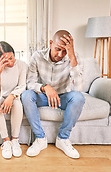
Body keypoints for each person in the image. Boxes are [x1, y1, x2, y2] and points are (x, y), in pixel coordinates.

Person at [21, 30, 85, 158]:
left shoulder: (73, 58)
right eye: (58, 49)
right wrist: (45, 88)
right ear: (50, 43)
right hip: (43, 96)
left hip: (63, 97)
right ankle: (40, 139)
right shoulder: (37, 56)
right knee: (26, 95)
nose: (60, 54)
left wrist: (72, 57)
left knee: (78, 98)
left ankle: (63, 139)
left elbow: (79, 88)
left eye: (65, 51)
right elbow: (30, 83)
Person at [0, 41, 27, 159]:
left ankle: (15, 140)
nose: (10, 62)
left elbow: (22, 86)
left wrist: (11, 96)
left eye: (11, 57)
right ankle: (6, 141)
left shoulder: (21, 65)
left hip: (14, 96)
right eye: (5, 60)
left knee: (17, 105)